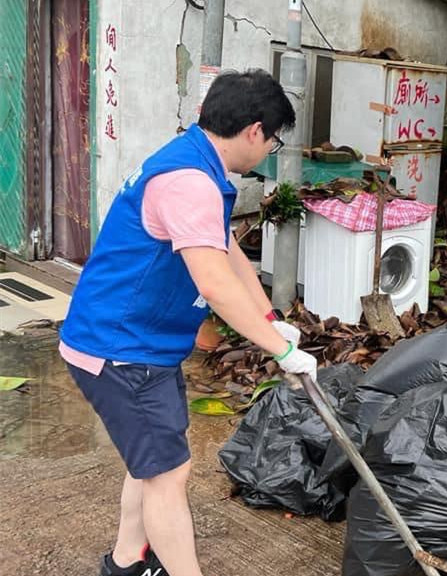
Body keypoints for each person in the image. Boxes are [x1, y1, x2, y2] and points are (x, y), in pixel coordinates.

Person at [59, 69, 318, 576]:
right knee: (168, 476)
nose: (268, 151)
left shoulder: (195, 161)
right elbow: (215, 284)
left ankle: (126, 561)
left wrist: (269, 320)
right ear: (254, 131)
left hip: (138, 346)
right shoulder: (190, 183)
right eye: (273, 140)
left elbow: (225, 252)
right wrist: (279, 350)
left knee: (153, 463)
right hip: (120, 350)